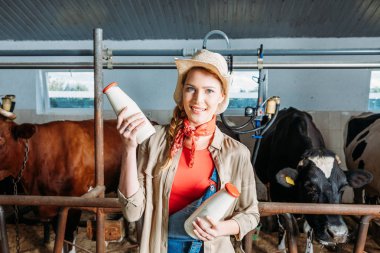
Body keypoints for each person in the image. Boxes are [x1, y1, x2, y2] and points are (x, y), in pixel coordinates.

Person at [117, 49, 260, 253]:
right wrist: (129, 148)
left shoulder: (236, 153)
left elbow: (251, 214)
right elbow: (132, 212)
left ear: (221, 96)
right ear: (182, 91)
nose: (197, 99)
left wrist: (222, 228)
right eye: (191, 88)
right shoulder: (154, 141)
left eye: (209, 91)